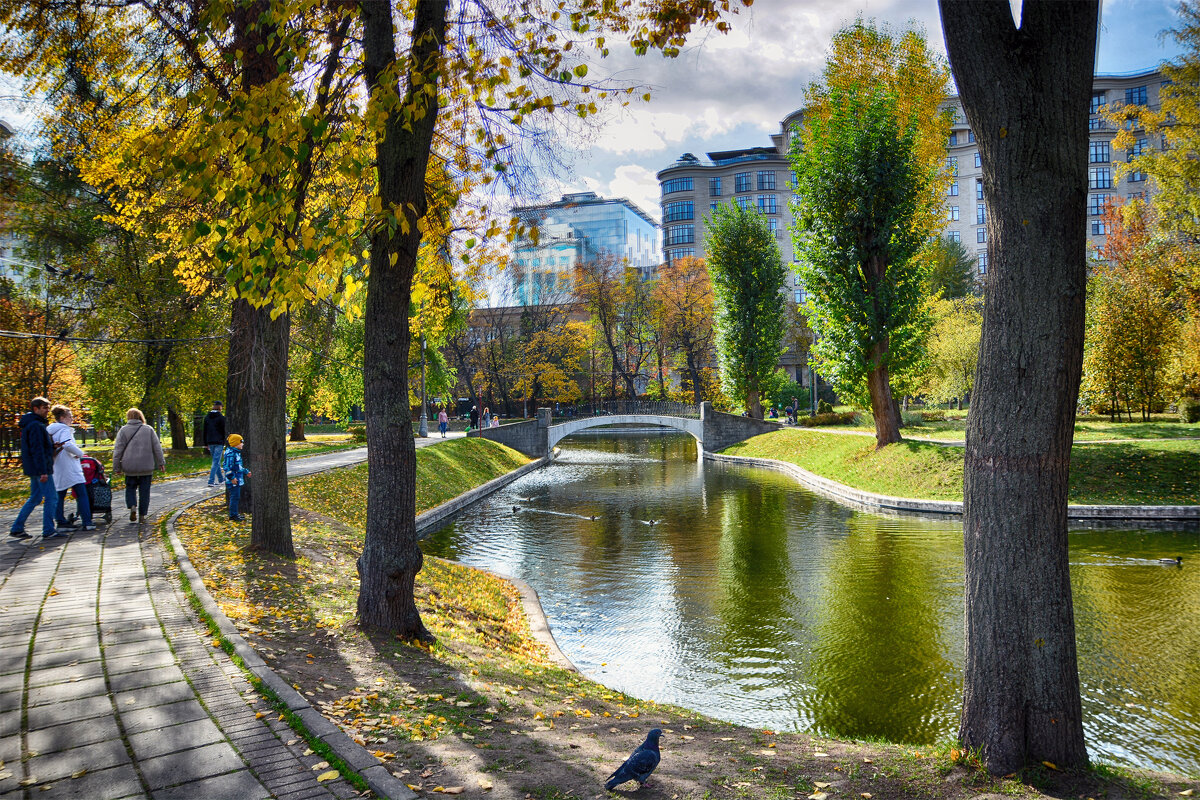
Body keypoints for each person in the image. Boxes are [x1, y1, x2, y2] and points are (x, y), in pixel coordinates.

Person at [9, 397, 59, 541]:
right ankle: (49, 530)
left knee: (36, 497)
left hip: (34, 467)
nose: (47, 411)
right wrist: (43, 470)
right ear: (35, 408)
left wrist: (51, 447)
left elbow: (38, 447)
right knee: (51, 497)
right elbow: (37, 450)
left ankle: (17, 528)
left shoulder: (30, 424)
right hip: (41, 468)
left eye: (48, 408)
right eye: (44, 408)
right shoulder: (36, 426)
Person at [112, 408, 166, 524]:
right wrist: (161, 463)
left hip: (129, 466)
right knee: (144, 491)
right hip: (146, 467)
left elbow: (118, 450)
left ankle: (132, 506)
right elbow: (157, 448)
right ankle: (142, 515)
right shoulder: (148, 429)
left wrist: (116, 467)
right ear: (141, 417)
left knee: (130, 488)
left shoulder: (123, 430)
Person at [47, 405, 95, 532]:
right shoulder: (64, 430)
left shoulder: (51, 430)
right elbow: (67, 444)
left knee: (60, 494)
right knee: (82, 494)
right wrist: (80, 453)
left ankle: (61, 522)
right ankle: (87, 521)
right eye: (70, 416)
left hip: (58, 466)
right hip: (69, 466)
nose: (72, 419)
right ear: (62, 418)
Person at [223, 434, 250, 521]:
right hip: (233, 481)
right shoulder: (231, 454)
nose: (243, 444)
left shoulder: (236, 453)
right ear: (235, 443)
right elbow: (227, 467)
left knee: (236, 497)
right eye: (241, 442)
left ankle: (235, 514)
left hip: (237, 479)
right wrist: (232, 478)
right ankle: (233, 515)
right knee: (234, 497)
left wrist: (246, 471)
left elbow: (238, 467)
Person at [203, 400, 227, 486]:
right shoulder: (221, 418)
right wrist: (225, 441)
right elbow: (224, 431)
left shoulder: (207, 417)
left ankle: (220, 479)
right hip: (219, 442)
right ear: (220, 407)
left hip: (210, 441)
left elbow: (205, 431)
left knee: (215, 461)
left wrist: (206, 443)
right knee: (216, 462)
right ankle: (211, 481)